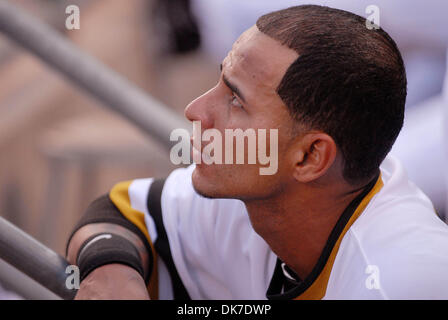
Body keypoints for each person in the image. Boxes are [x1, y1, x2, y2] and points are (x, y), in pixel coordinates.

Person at [66, 5, 448, 300]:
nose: (196, 110)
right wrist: (110, 271)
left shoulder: (397, 282)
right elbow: (121, 212)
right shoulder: (258, 194)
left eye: (235, 100)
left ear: (311, 157)